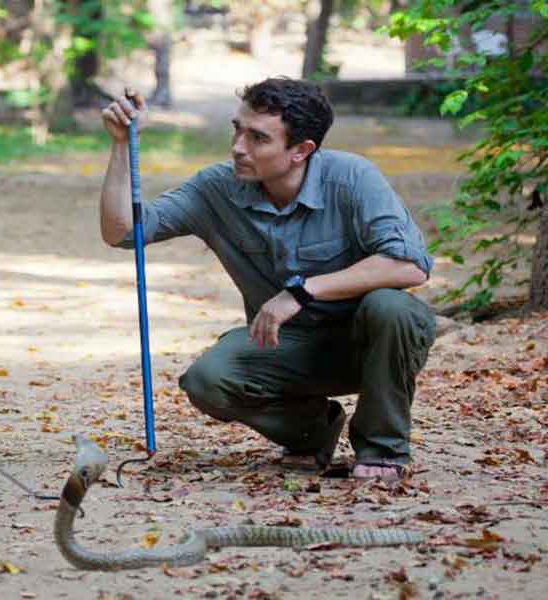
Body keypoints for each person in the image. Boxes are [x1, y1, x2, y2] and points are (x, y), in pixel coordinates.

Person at [99, 77, 436, 481]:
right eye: (237, 129)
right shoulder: (217, 188)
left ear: (301, 151)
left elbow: (410, 265)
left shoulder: (352, 179)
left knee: (393, 307)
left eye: (258, 138)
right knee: (208, 380)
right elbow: (123, 233)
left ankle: (383, 450)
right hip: (286, 347)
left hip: (372, 344)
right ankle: (313, 431)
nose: (238, 146)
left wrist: (302, 290)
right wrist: (121, 144)